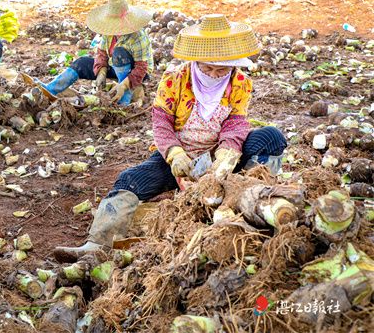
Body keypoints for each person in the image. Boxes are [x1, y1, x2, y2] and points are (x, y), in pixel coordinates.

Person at [53, 14, 288, 261]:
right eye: (207, 68)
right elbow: (162, 123)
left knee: (271, 138)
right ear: (196, 62)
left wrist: (226, 155)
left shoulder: (240, 82)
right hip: (178, 155)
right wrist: (175, 154)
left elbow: (236, 123)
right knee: (130, 179)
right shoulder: (175, 78)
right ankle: (96, 245)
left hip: (217, 155)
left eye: (222, 70)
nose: (215, 74)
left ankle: (254, 203)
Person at [25, 0, 154, 106]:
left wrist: (124, 85)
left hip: (136, 72)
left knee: (119, 53)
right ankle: (51, 89)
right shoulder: (109, 32)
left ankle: (124, 99)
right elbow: (102, 53)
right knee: (82, 62)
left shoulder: (138, 37)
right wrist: (101, 72)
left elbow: (142, 68)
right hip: (115, 65)